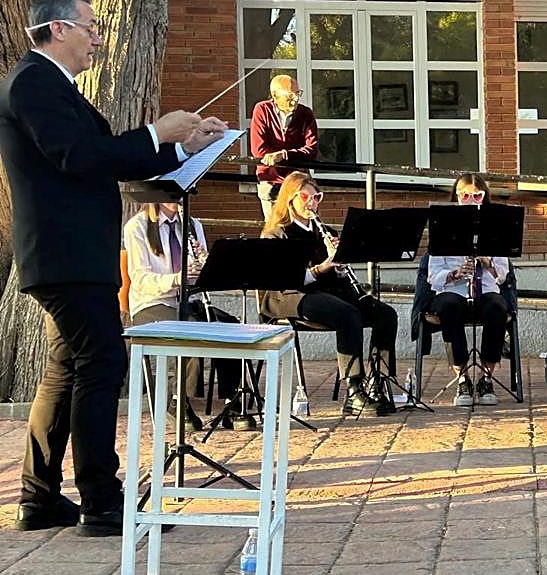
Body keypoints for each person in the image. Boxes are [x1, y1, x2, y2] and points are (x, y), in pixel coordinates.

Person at [0, 0, 224, 536]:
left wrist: (183, 147)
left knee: (67, 368)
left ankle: (39, 496)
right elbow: (78, 157)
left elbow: (111, 154)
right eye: (90, 27)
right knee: (101, 363)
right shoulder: (32, 83)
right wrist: (155, 131)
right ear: (57, 29)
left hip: (73, 253)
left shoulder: (58, 88)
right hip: (66, 253)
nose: (97, 39)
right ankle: (102, 499)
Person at [259, 172, 399, 417]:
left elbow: (336, 276)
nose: (312, 202)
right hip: (289, 295)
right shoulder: (277, 234)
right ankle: (354, 389)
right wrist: (322, 267)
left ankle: (378, 382)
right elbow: (285, 278)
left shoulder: (325, 231)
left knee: (385, 314)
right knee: (347, 313)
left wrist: (342, 265)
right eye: (306, 196)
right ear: (290, 199)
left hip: (326, 293)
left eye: (317, 197)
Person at [124, 202, 242, 430]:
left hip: (186, 301)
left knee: (231, 327)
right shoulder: (137, 226)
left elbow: (203, 275)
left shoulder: (193, 224)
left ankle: (232, 400)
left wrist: (206, 266)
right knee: (191, 329)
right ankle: (178, 401)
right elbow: (140, 280)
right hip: (152, 303)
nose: (178, 200)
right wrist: (177, 278)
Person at [426, 174, 512, 408]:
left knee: (496, 307)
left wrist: (488, 263)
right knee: (449, 306)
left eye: (477, 195)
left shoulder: (495, 226)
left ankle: (487, 378)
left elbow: (503, 276)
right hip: (452, 290)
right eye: (465, 195)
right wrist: (454, 274)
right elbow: (433, 276)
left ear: (484, 198)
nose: (471, 200)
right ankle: (462, 378)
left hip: (485, 289)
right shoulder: (442, 226)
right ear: (457, 197)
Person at [250, 75, 319, 219]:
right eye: (290, 95)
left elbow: (311, 149)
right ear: (275, 95)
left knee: (302, 230)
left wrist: (284, 155)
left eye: (298, 93)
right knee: (274, 231)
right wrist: (289, 156)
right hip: (271, 180)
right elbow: (258, 150)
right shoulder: (262, 109)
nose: (295, 99)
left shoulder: (305, 114)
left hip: (298, 182)